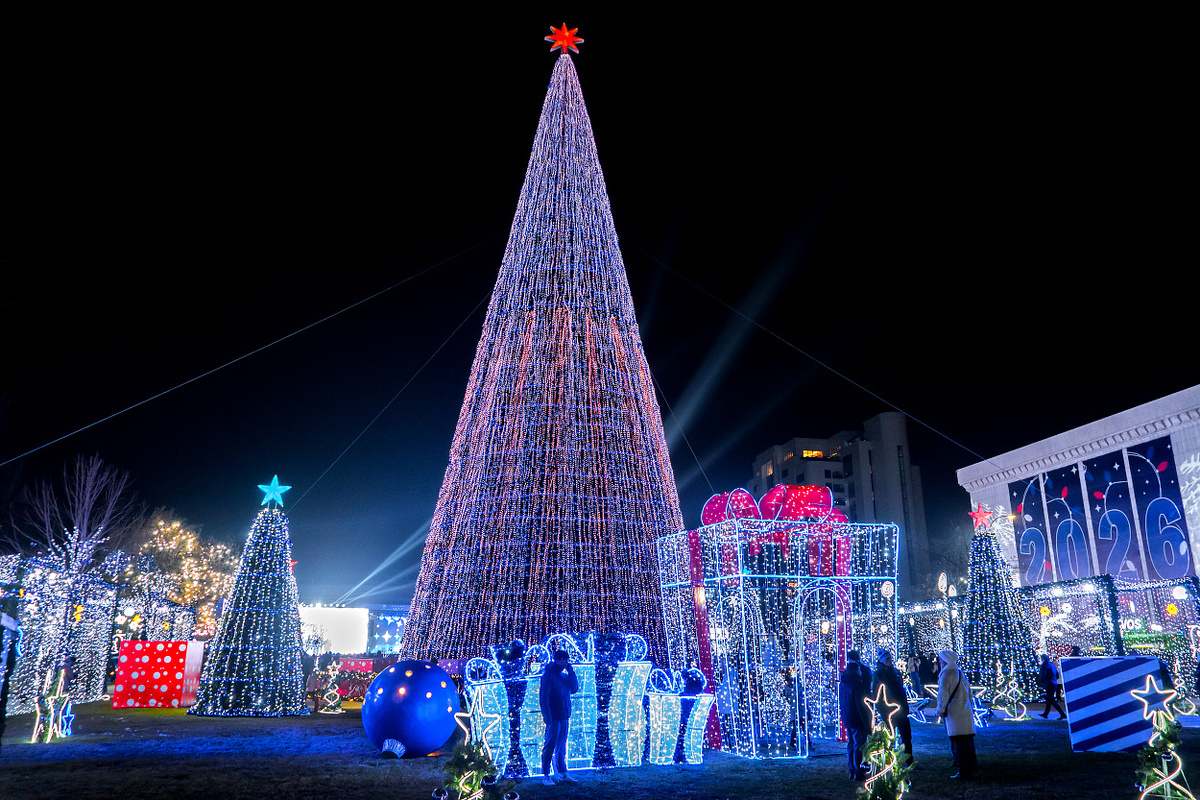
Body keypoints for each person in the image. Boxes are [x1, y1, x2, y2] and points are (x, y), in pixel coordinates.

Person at [539, 650, 579, 786]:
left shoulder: (563, 675)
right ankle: (545, 775)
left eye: (566, 660)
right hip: (554, 717)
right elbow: (543, 697)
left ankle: (562, 772)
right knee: (550, 745)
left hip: (564, 716)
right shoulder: (549, 675)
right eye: (563, 660)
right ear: (557, 660)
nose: (565, 662)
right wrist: (547, 717)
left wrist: (571, 672)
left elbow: (574, 689)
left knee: (561, 745)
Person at [936, 649, 976, 780]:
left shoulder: (946, 675)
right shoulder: (959, 673)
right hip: (965, 711)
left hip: (955, 713)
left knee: (958, 742)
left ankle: (963, 770)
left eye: (941, 660)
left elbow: (943, 695)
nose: (940, 662)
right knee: (967, 742)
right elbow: (969, 693)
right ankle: (970, 765)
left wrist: (941, 709)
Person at [874, 649, 913, 765]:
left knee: (906, 737)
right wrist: (883, 710)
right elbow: (877, 694)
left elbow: (900, 690)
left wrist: (905, 707)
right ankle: (888, 761)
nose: (889, 661)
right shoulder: (879, 674)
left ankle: (909, 760)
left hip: (900, 709)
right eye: (887, 659)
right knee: (889, 738)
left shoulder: (896, 672)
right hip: (889, 711)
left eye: (890, 658)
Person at [839, 649, 873, 780]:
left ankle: (852, 769)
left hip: (848, 716)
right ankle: (858, 771)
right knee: (859, 745)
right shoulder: (857, 682)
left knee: (851, 744)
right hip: (857, 718)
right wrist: (867, 723)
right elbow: (861, 705)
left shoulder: (844, 681)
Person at [1038, 653, 1066, 719]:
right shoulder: (1052, 665)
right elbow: (1057, 675)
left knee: (1052, 700)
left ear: (1043, 659)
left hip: (1048, 684)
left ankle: (1062, 714)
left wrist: (1041, 682)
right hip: (1054, 683)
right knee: (1049, 699)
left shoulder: (1044, 666)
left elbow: (1043, 676)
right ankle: (1045, 714)